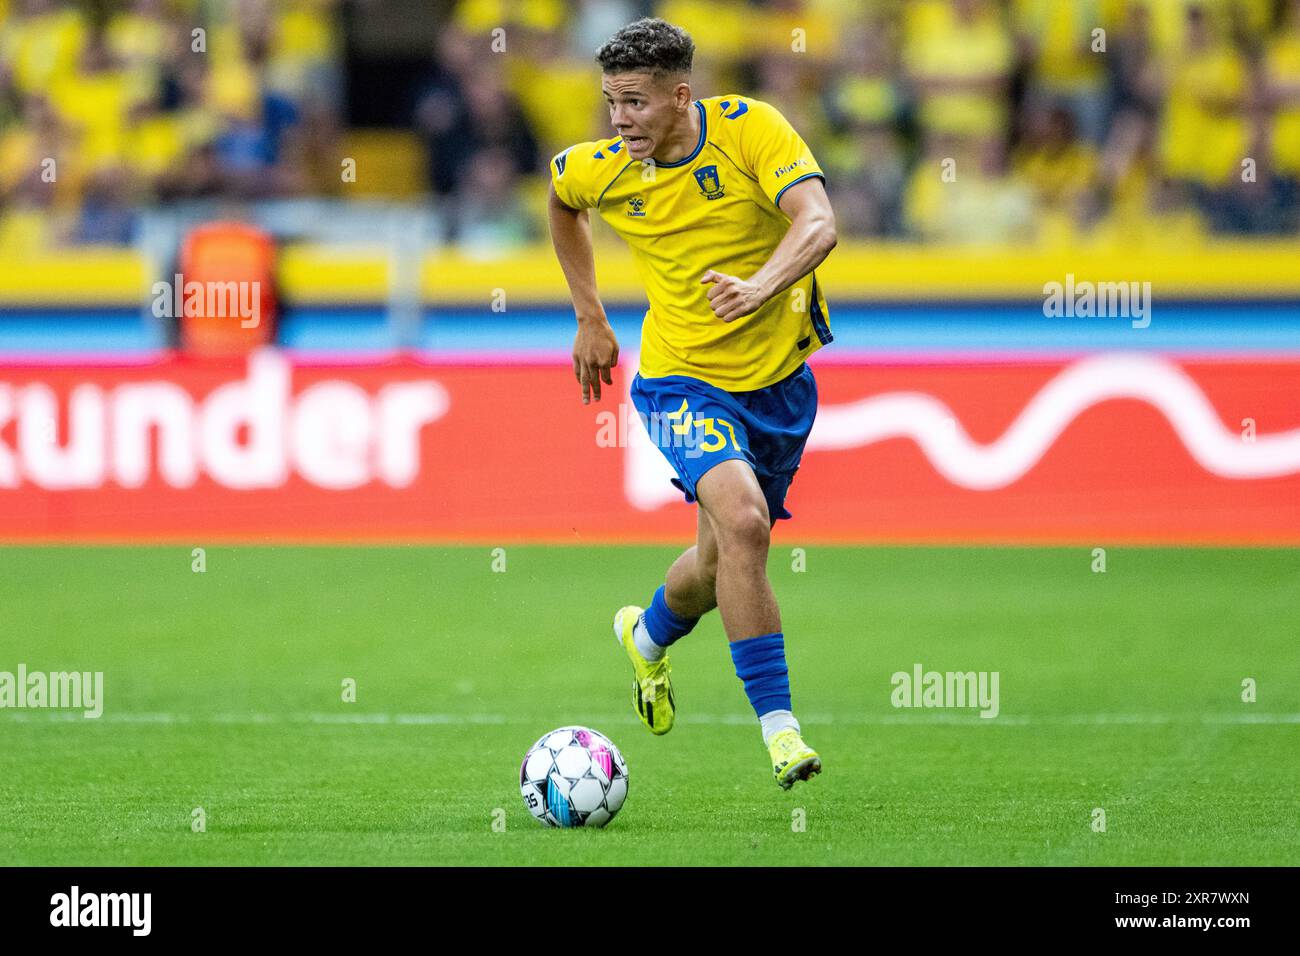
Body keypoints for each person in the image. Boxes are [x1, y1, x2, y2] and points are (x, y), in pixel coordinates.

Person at [547, 18, 836, 788]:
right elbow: (560, 198)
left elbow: (819, 221)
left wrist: (760, 287)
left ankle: (645, 638)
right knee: (746, 522)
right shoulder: (604, 168)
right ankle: (781, 733)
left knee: (715, 568)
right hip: (678, 381)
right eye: (611, 101)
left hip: (777, 384)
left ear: (680, 96)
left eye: (635, 103)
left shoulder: (750, 132)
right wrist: (589, 315)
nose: (620, 119)